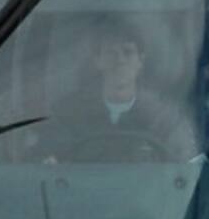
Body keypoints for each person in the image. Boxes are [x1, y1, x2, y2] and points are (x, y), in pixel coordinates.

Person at [40, 20, 198, 163]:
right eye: (111, 53)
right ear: (98, 61)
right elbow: (46, 159)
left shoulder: (165, 119)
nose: (120, 60)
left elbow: (185, 166)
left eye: (127, 52)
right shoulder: (69, 114)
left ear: (140, 61)